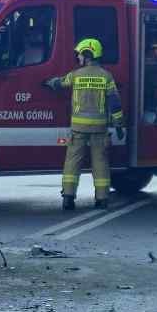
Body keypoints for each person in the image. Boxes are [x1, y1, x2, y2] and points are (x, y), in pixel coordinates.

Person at [44, 37, 121, 211]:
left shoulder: (76, 75)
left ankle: (68, 198)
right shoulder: (106, 76)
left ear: (87, 54)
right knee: (100, 163)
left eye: (79, 55)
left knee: (72, 162)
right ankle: (102, 199)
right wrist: (118, 123)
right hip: (99, 129)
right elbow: (115, 102)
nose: (78, 58)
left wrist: (49, 82)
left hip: (78, 129)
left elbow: (60, 83)